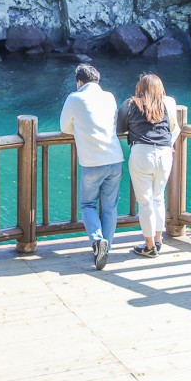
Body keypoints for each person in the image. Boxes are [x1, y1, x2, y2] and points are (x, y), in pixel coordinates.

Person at [60, 64, 124, 270]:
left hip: (92, 162)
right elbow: (115, 121)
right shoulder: (109, 97)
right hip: (115, 158)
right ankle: (106, 247)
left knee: (88, 205)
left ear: (79, 82)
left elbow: (64, 127)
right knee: (110, 207)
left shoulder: (74, 98)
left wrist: (79, 128)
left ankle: (98, 242)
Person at [116, 73, 180, 259]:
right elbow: (175, 127)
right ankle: (158, 241)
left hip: (142, 153)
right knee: (158, 198)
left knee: (145, 202)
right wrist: (168, 143)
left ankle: (149, 246)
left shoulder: (131, 103)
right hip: (164, 153)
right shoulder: (169, 102)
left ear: (140, 88)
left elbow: (119, 128)